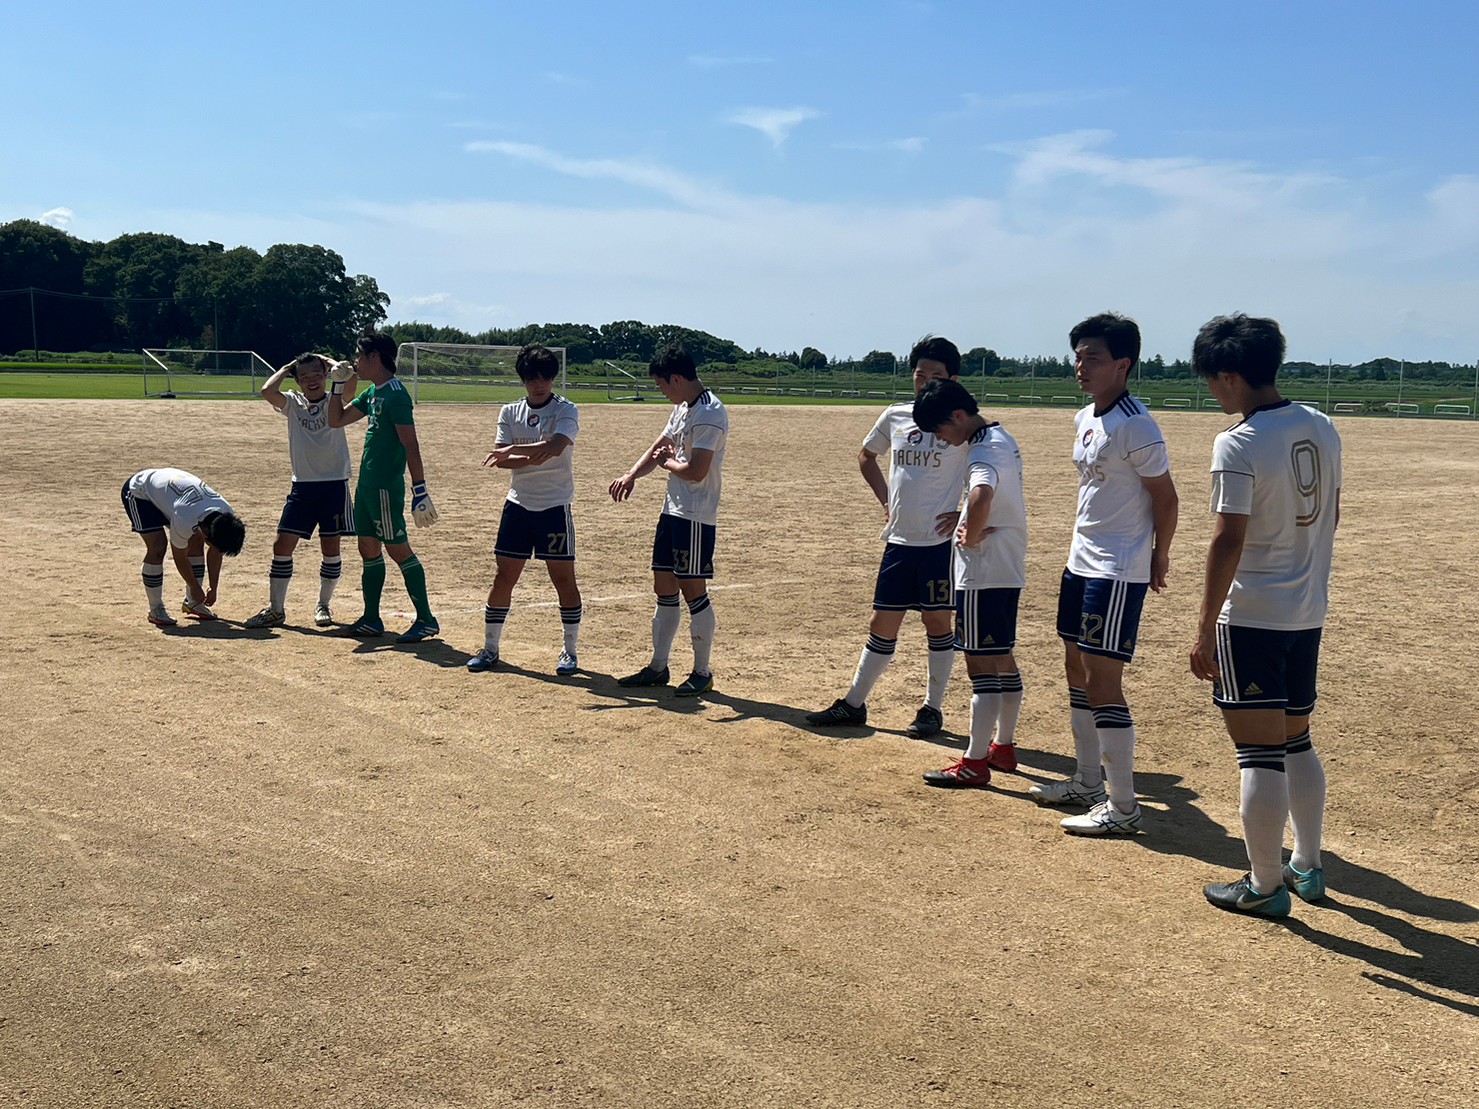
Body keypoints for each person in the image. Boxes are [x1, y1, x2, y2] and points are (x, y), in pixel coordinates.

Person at [1189, 314, 1341, 918]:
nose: (1211, 391)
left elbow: (1228, 537)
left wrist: (1204, 626)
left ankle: (1263, 884)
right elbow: (1333, 513)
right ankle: (1307, 863)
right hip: (1307, 610)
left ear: (1229, 375)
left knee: (1257, 753)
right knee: (1296, 738)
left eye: (1210, 380)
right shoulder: (1321, 424)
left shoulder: (1238, 441)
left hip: (1253, 613)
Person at [1030, 313, 1179, 835]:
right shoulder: (1085, 417)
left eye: (1092, 357)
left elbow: (1166, 497)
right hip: (1080, 562)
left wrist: (1159, 555)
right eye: (1077, 357)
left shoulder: (1137, 425)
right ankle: (1088, 781)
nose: (1081, 366)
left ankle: (1123, 807)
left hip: (1117, 567)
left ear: (1123, 364)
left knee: (1103, 681)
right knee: (1076, 669)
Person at [804, 336, 966, 738]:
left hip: (939, 544)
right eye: (920, 375)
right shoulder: (897, 415)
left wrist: (965, 511)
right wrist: (885, 500)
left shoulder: (961, 424)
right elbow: (866, 455)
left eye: (936, 376)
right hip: (899, 540)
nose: (926, 383)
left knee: (937, 622)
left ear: (953, 380)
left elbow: (987, 475)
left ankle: (932, 708)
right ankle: (854, 704)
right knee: (881, 622)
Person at [910, 379, 1028, 787]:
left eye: (941, 430)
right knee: (1002, 657)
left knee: (981, 667)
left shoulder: (982, 450)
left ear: (958, 416)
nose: (942, 439)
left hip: (982, 572)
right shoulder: (1000, 436)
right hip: (1006, 566)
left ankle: (975, 762)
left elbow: (982, 494)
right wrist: (967, 517)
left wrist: (971, 532)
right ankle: (1003, 747)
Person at [607, 342, 728, 697]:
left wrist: (667, 463)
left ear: (675, 378)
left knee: (693, 591)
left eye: (661, 384)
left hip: (695, 515)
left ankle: (702, 672)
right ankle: (658, 667)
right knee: (663, 587)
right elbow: (660, 444)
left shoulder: (710, 412)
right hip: (672, 511)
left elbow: (696, 470)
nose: (661, 391)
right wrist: (631, 474)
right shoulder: (682, 408)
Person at [468, 344, 583, 675]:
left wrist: (517, 452)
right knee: (504, 576)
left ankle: (570, 652)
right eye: (532, 378)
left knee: (563, 578)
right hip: (518, 504)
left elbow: (556, 446)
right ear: (523, 380)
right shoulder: (510, 411)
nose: (539, 384)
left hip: (554, 506)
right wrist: (535, 453)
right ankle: (490, 648)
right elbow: (501, 460)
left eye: (545, 377)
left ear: (553, 378)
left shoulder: (566, 410)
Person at [326, 331, 440, 643]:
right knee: (368, 548)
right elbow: (336, 420)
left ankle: (426, 619)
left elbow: (411, 445)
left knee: (397, 548)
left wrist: (420, 490)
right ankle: (371, 619)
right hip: (367, 486)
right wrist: (337, 386)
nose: (355, 361)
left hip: (385, 488)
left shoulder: (396, 395)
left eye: (359, 355)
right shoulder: (374, 392)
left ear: (375, 357)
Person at [244, 353, 356, 629]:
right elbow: (267, 391)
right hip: (303, 486)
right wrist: (286, 367)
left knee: (330, 548)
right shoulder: (293, 402)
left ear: (325, 375)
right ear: (297, 381)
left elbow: (350, 382)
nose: (311, 381)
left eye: (317, 374)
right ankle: (276, 610)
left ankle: (323, 605)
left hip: (334, 485)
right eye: (304, 377)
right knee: (282, 545)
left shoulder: (335, 399)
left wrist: (328, 362)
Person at [121, 467, 246, 626]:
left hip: (171, 496)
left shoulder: (225, 513)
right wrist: (195, 587)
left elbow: (216, 550)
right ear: (208, 534)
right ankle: (155, 609)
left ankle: (193, 603)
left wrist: (213, 587)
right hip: (140, 492)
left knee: (196, 540)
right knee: (158, 547)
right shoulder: (185, 517)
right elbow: (179, 557)